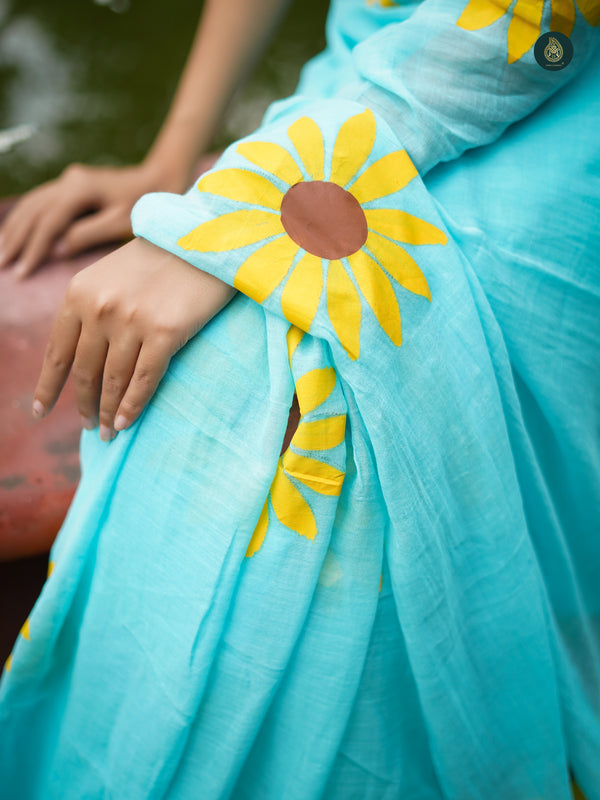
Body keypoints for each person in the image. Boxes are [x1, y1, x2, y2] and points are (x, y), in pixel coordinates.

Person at [1, 0, 599, 797]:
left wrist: (240, 212)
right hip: (358, 77)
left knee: (303, 399)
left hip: (541, 103)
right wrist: (175, 157)